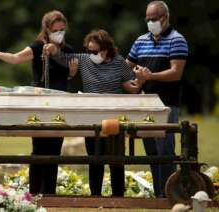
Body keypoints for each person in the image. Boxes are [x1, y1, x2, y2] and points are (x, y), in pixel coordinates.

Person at [0, 10, 77, 194]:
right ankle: (35, 192)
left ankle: (50, 193)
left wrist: (72, 72)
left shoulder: (68, 50)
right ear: (47, 29)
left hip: (59, 102)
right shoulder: (38, 46)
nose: (60, 33)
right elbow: (15, 58)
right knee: (39, 147)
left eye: (62, 29)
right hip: (39, 103)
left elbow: (68, 75)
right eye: (56, 30)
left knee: (55, 148)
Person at [44, 29, 144, 196]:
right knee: (95, 158)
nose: (91, 54)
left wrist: (141, 79)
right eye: (88, 50)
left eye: (94, 51)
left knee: (116, 159)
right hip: (91, 116)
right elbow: (63, 58)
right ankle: (95, 196)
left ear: (106, 49)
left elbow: (132, 88)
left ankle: (118, 196)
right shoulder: (84, 59)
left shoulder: (119, 62)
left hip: (114, 117)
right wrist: (54, 50)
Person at [126, 1, 188, 197]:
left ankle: (169, 193)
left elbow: (176, 73)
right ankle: (158, 192)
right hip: (145, 104)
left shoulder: (177, 40)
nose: (150, 22)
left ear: (165, 18)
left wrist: (149, 76)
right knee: (152, 151)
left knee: (165, 151)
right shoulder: (141, 40)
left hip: (166, 104)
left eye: (154, 19)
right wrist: (135, 74)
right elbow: (127, 65)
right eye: (148, 19)